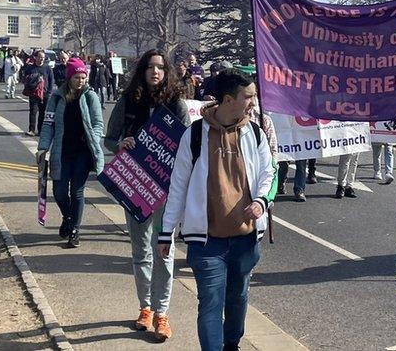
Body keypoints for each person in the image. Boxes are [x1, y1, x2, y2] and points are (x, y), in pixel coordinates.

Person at [159, 69, 274, 351]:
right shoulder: (195, 134)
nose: (253, 104)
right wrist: (166, 232)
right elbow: (178, 185)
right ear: (227, 99)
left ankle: (232, 343)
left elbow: (269, 175)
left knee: (238, 298)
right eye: (248, 97)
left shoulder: (255, 133)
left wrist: (261, 201)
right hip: (206, 241)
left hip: (245, 240)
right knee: (210, 302)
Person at [105, 49, 190, 342]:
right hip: (136, 186)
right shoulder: (129, 101)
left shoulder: (176, 104)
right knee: (140, 250)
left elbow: (187, 144)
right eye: (150, 67)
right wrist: (120, 145)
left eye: (160, 68)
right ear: (142, 71)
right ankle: (146, 308)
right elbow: (109, 137)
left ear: (167, 73)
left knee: (164, 250)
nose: (155, 72)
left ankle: (162, 313)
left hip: (165, 189)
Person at [36, 57, 104, 248]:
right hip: (62, 151)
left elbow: (98, 124)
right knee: (58, 191)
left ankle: (75, 230)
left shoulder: (91, 96)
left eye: (83, 77)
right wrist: (43, 147)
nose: (81, 81)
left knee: (77, 191)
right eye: (77, 77)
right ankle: (67, 215)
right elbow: (48, 124)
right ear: (69, 78)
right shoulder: (57, 97)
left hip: (82, 153)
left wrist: (92, 137)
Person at [21, 50, 55, 136]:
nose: (41, 59)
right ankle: (31, 130)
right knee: (33, 111)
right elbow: (25, 79)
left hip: (44, 94)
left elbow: (51, 81)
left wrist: (49, 92)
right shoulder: (30, 68)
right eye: (40, 57)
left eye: (43, 58)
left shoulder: (48, 68)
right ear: (35, 57)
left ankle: (40, 130)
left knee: (42, 113)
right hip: (34, 93)